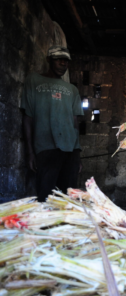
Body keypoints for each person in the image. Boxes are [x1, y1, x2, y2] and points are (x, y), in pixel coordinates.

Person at [21, 46, 83, 202]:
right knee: (45, 196)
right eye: (58, 60)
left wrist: (78, 154)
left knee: (69, 198)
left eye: (66, 61)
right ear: (49, 60)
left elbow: (75, 123)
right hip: (46, 148)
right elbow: (28, 117)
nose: (63, 64)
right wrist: (30, 152)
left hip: (70, 149)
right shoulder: (33, 80)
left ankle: (65, 226)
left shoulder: (72, 89)